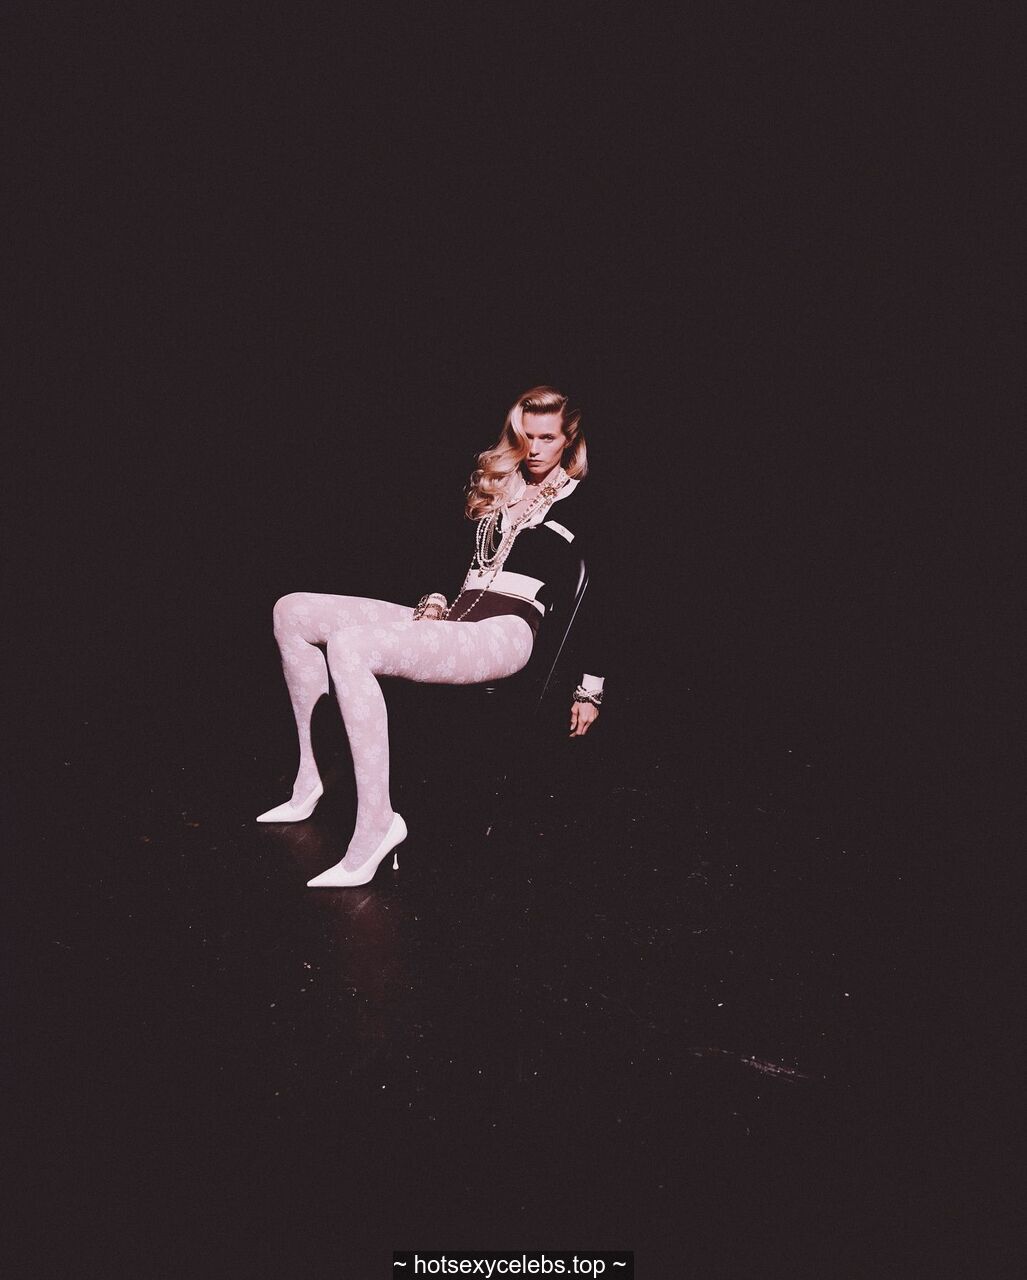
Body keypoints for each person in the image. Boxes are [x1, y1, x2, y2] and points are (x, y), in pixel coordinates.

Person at [258, 385, 606, 887]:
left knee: (351, 646)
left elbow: (601, 600)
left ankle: (377, 826)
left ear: (568, 439)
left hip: (506, 631)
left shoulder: (586, 502)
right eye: (526, 436)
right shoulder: (496, 486)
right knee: (292, 611)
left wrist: (589, 688)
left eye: (547, 438)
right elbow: (443, 560)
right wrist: (436, 601)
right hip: (454, 619)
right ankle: (310, 780)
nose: (534, 448)